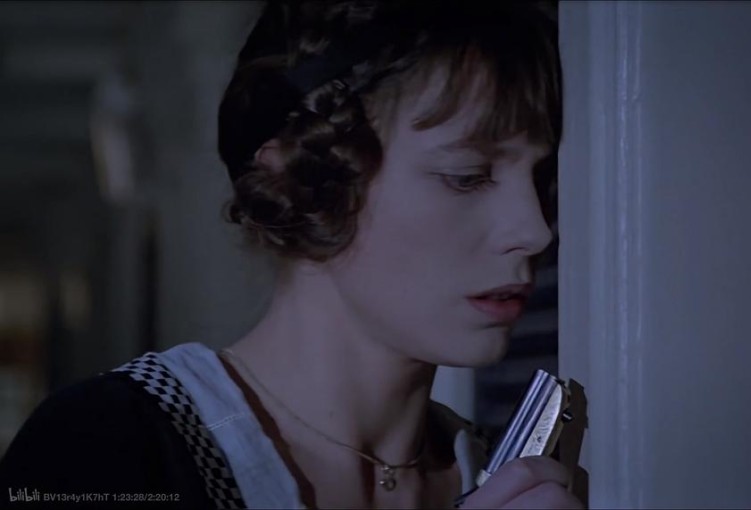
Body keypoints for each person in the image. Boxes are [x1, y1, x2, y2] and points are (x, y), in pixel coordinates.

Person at [0, 1, 581, 508]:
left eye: (541, 179)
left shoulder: (506, 477)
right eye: (467, 175)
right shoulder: (103, 447)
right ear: (305, 181)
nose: (535, 231)